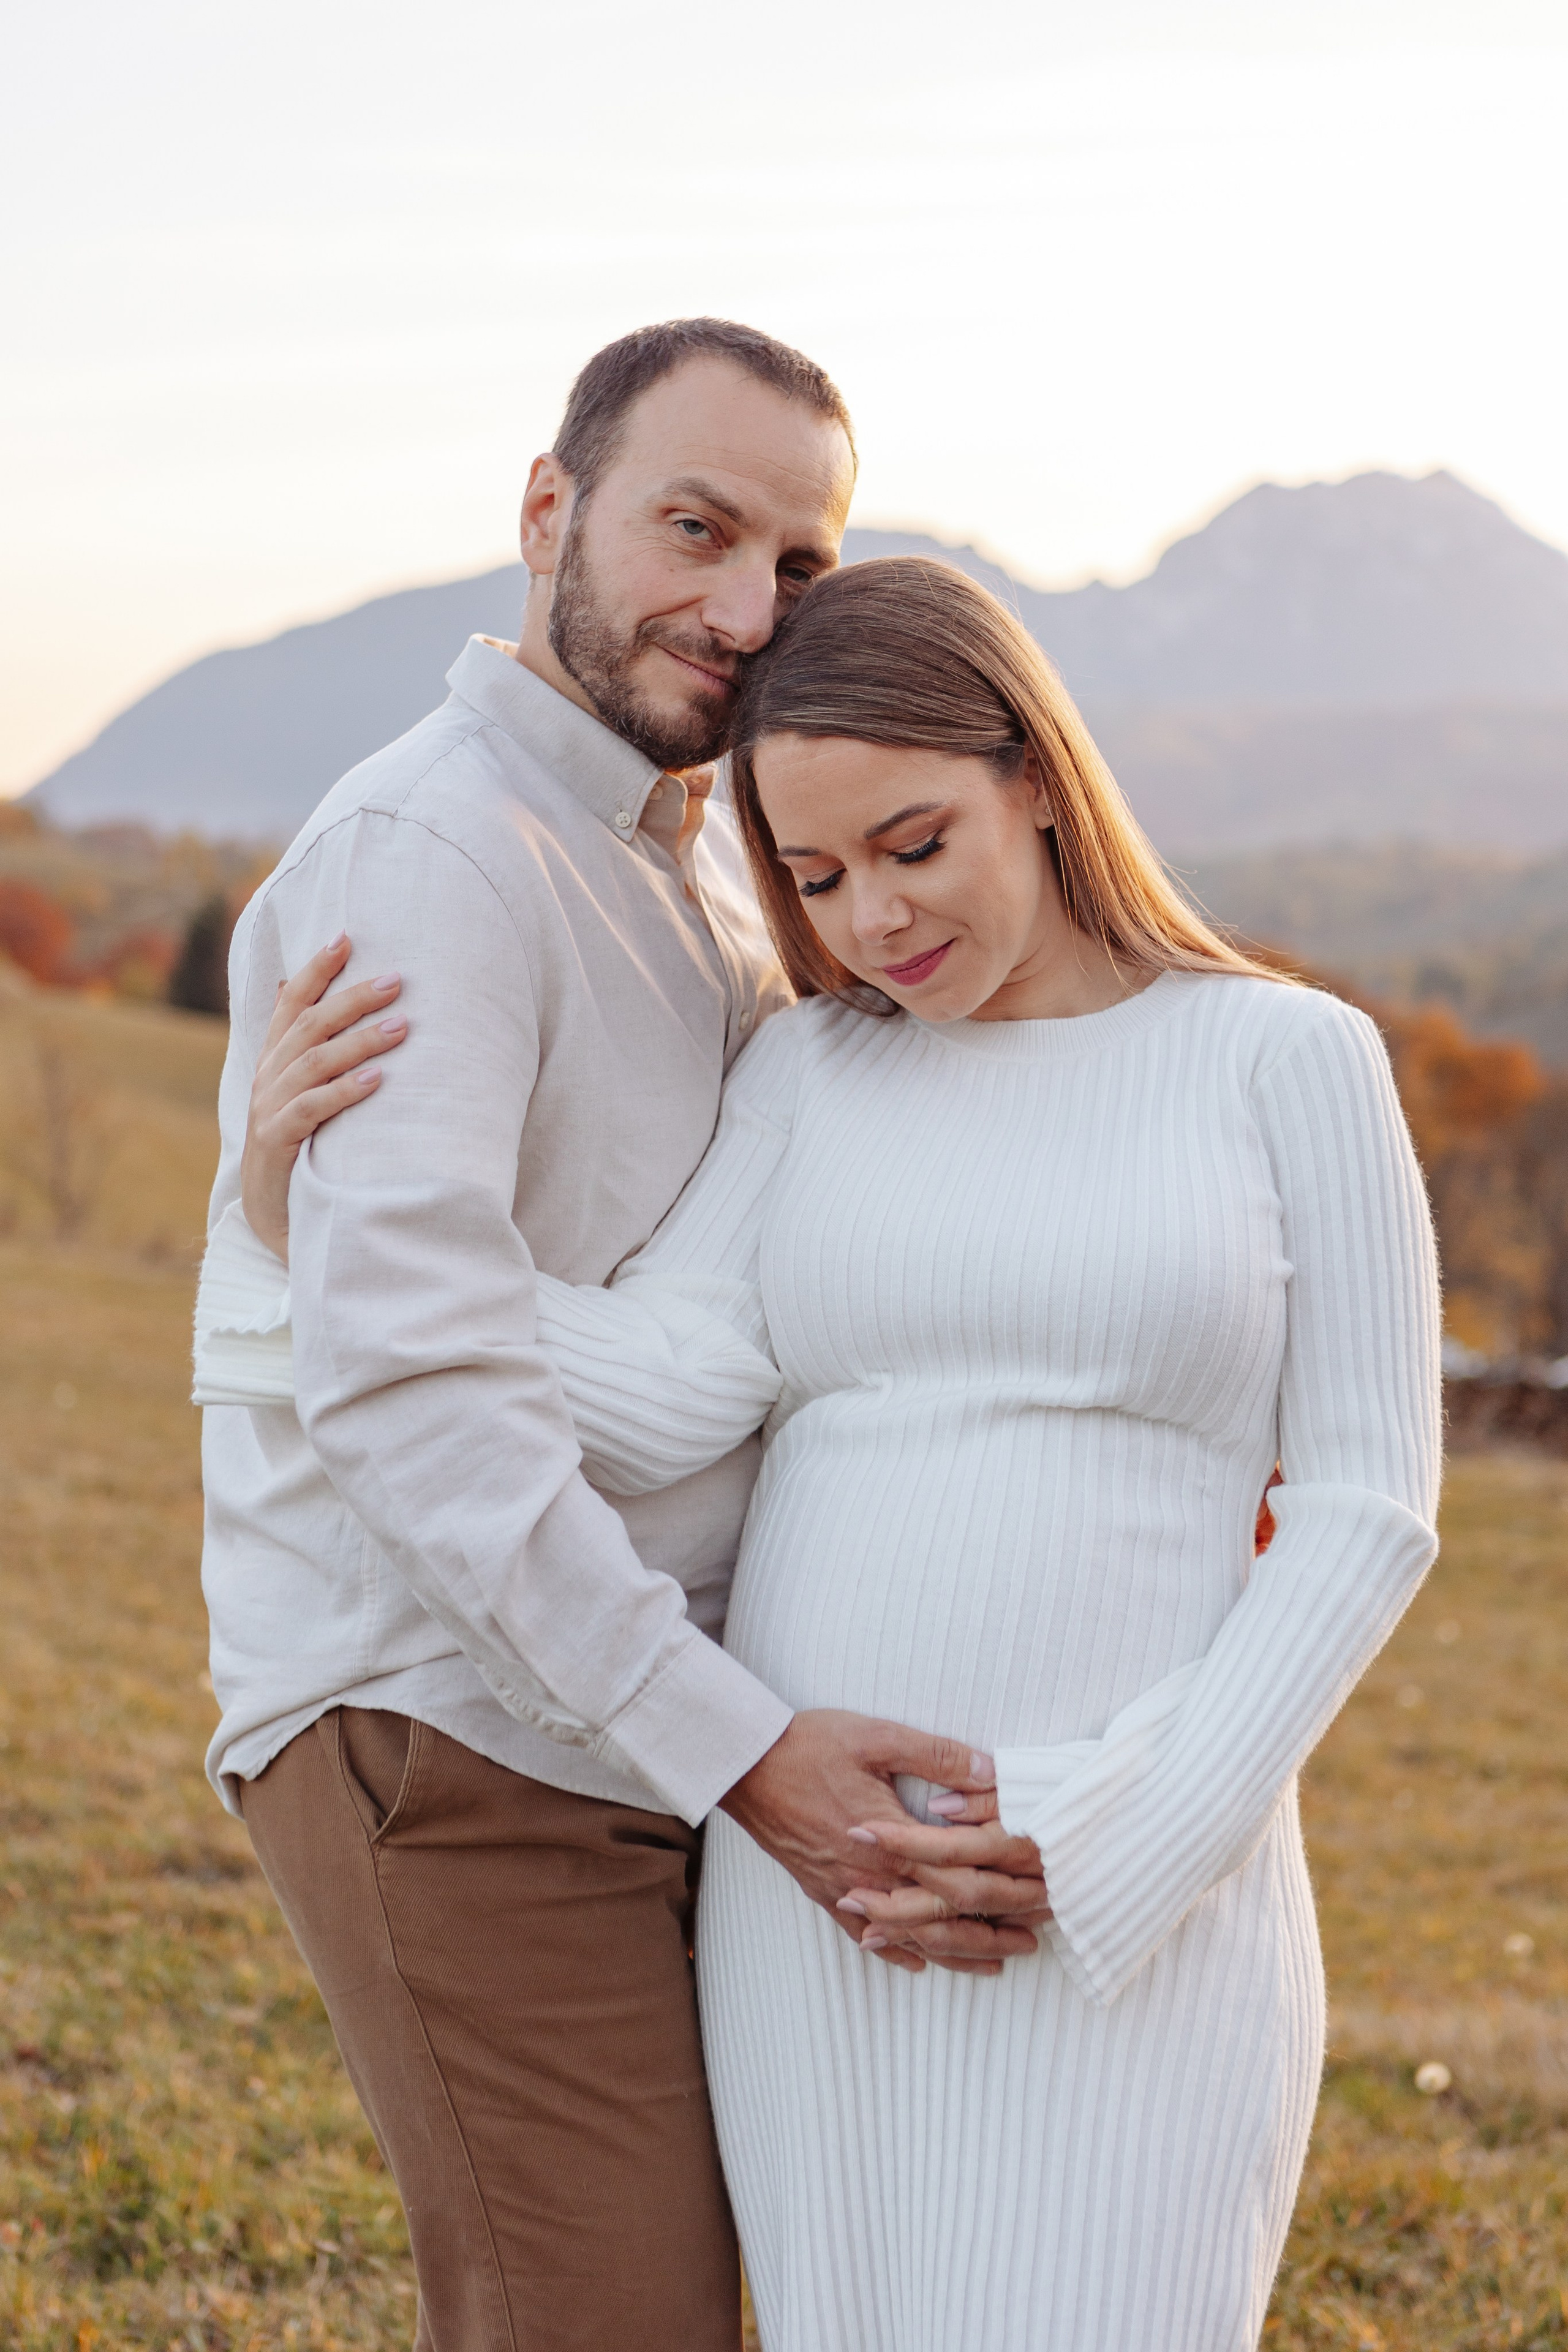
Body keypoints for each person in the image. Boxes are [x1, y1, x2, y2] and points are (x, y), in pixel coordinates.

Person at [206, 555, 1441, 2350]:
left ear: (1035, 770)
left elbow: (1366, 1510)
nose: (871, 919)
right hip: (821, 1908)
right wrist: (301, 1209)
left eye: (914, 843)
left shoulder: (1287, 1058)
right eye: (813, 874)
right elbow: (657, 1379)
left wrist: (1108, 1838)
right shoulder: (810, 1077)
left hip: (1138, 1910)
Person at [194, 325, 1039, 2352]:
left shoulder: (716, 884)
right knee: (604, 2319)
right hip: (459, 1727)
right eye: (698, 526)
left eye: (801, 564)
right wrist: (745, 1756)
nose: (749, 611)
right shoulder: (435, 865)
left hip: (633, 1720)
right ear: (548, 512)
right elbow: (414, 1395)